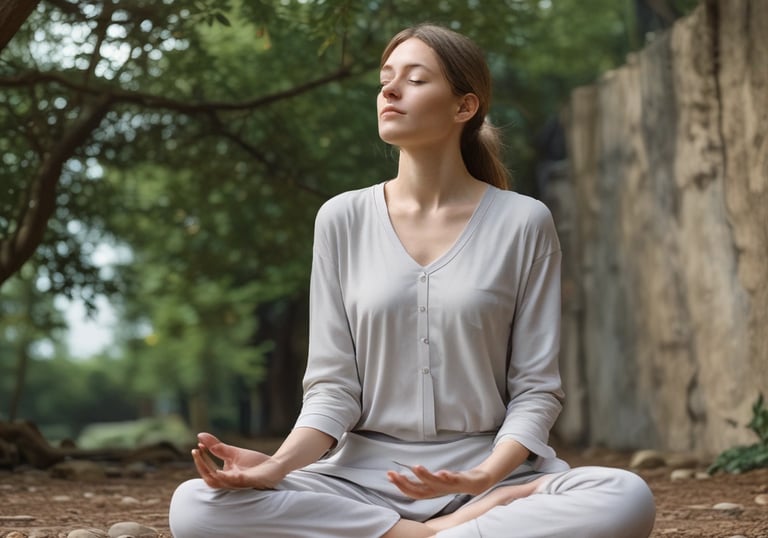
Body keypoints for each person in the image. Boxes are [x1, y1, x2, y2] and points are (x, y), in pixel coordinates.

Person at [168, 23, 656, 538]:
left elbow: (536, 390)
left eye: (415, 79)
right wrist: (279, 466)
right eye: (385, 79)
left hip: (492, 477)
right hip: (356, 481)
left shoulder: (524, 222)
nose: (390, 91)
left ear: (464, 107)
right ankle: (426, 534)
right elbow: (333, 387)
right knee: (197, 505)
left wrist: (487, 477)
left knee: (624, 496)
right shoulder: (341, 219)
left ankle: (414, 528)